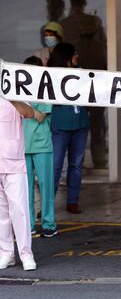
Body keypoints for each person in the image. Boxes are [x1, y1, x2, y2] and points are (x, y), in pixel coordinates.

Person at [61, 0, 107, 169]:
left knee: (77, 126)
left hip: (77, 89)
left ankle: (76, 160)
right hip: (96, 89)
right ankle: (99, 159)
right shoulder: (100, 47)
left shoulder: (67, 30)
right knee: (96, 126)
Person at [49, 43, 89, 214]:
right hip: (60, 126)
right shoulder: (51, 74)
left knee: (76, 165)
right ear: (66, 57)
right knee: (55, 165)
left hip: (80, 125)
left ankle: (73, 201)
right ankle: (47, 205)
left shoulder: (82, 72)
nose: (77, 56)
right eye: (74, 53)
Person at [0, 98, 37, 270]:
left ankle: (26, 254)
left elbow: (30, 113)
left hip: (14, 163)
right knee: (1, 214)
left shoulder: (14, 90)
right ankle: (6, 253)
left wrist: (11, 98)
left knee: (20, 211)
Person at [22, 56, 57, 237]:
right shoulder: (18, 91)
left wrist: (25, 106)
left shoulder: (45, 90)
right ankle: (28, 226)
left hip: (42, 145)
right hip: (23, 146)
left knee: (46, 187)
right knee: (25, 189)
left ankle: (49, 223)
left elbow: (41, 116)